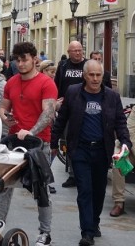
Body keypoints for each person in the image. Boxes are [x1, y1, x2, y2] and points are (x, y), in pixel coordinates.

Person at [51, 60, 130, 245]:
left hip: (102, 150)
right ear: (84, 76)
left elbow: (120, 121)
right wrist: (54, 141)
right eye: (91, 75)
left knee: (99, 190)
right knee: (84, 190)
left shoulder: (111, 96)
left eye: (98, 75)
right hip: (80, 149)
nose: (95, 79)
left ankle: (94, 223)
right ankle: (87, 232)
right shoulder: (73, 93)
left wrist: (126, 142)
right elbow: (61, 119)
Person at [0, 41, 58, 246]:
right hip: (15, 140)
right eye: (17, 59)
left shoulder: (45, 82)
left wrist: (31, 132)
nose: (21, 63)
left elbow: (48, 113)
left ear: (34, 59)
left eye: (25, 59)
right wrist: (5, 117)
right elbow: (3, 107)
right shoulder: (12, 82)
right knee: (4, 184)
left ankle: (45, 232)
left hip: (39, 143)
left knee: (40, 188)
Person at [55, 40, 87, 188]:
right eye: (75, 50)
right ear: (69, 52)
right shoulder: (63, 66)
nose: (78, 53)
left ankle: (85, 173)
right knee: (70, 141)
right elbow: (56, 86)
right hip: (67, 111)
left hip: (86, 110)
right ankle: (73, 174)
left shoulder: (88, 66)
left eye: (80, 50)